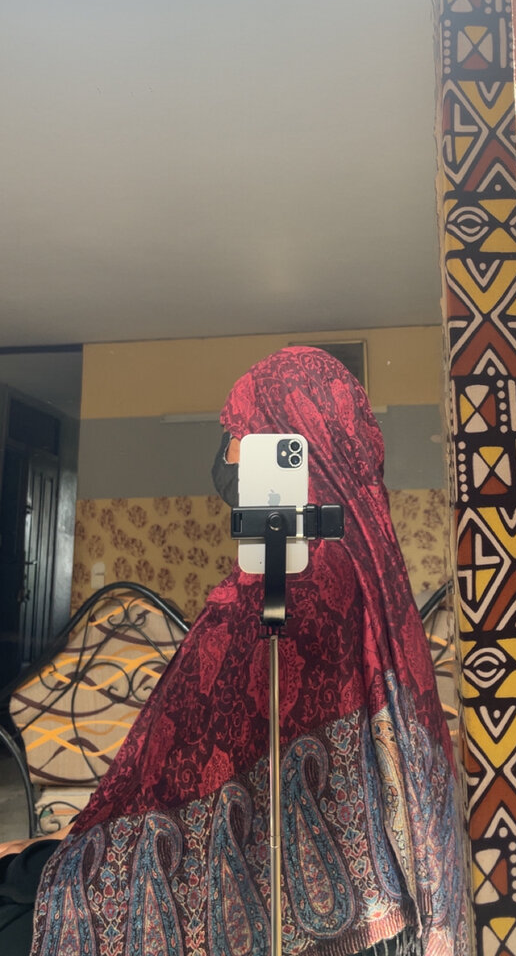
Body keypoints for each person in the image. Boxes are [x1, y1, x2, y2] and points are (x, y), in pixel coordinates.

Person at [8, 347, 469, 956]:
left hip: (248, 896)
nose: (225, 453)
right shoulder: (363, 571)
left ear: (287, 446)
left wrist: (49, 859)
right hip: (368, 902)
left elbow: (189, 782)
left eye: (236, 434)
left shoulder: (281, 589)